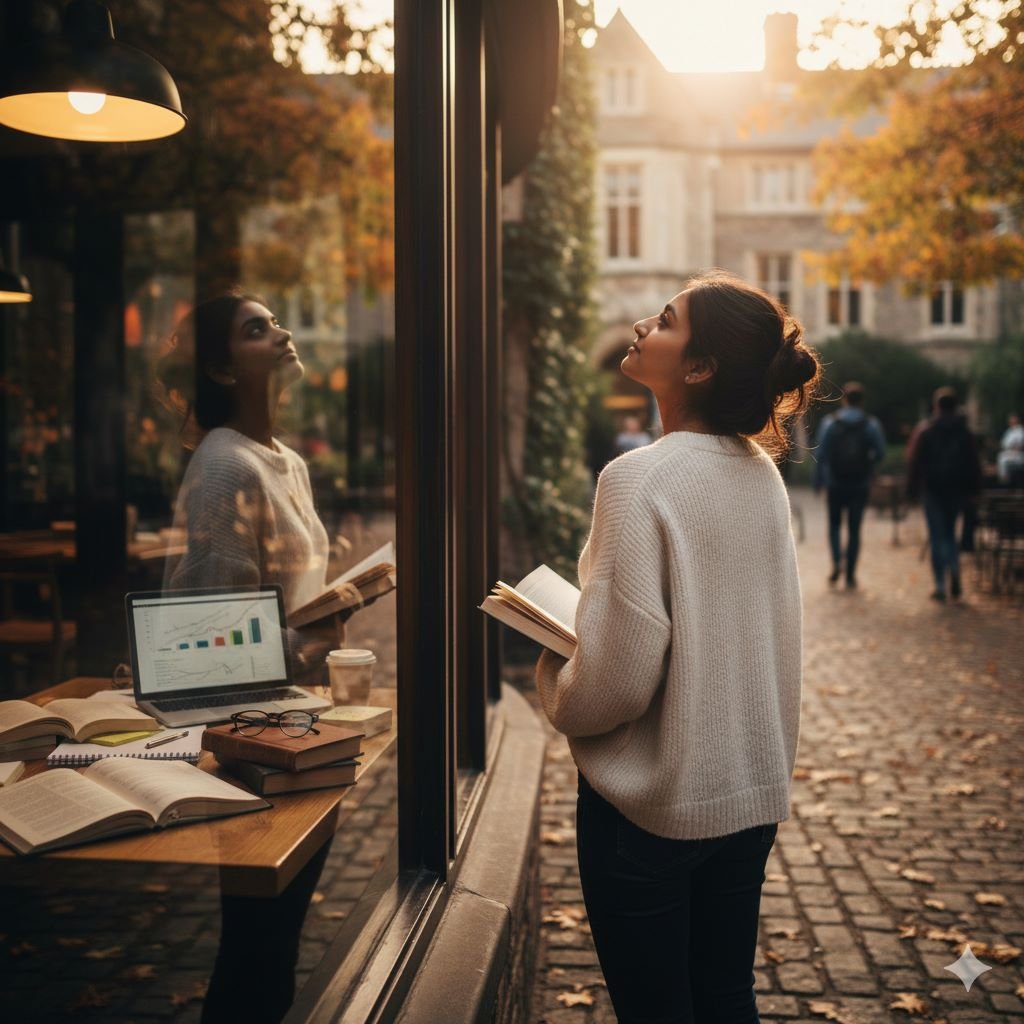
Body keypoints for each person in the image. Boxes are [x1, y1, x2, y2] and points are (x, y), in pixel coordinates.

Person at [535, 270, 820, 1023]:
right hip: (747, 792)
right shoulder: (762, 475)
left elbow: (614, 687)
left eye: (664, 321)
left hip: (649, 813)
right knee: (726, 998)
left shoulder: (636, 479)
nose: (641, 327)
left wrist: (555, 670)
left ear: (698, 368)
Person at [157, 292, 344, 1023]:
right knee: (255, 952)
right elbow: (205, 646)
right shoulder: (223, 469)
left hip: (293, 730)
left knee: (275, 946)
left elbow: (276, 593)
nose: (282, 333)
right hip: (248, 741)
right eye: (256, 330)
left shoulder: (284, 461)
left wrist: (329, 601)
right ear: (220, 367)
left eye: (274, 323)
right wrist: (312, 641)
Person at [906, 387, 982, 601]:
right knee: (950, 534)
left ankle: (940, 584)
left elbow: (914, 461)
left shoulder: (926, 430)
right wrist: (974, 491)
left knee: (936, 535)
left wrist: (911, 491)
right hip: (957, 490)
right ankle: (955, 569)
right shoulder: (965, 432)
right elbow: (974, 464)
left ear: (937, 406)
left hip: (932, 490)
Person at [813, 382, 886, 589]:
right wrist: (869, 465)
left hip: (835, 483)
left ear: (844, 399)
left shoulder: (830, 423)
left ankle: (837, 562)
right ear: (861, 401)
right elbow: (880, 453)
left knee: (835, 526)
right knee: (854, 529)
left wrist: (818, 481)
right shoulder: (871, 424)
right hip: (859, 484)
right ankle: (851, 573)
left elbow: (821, 454)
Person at [997, 412, 1024, 486]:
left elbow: (1021, 445)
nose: (1011, 421)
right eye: (1010, 420)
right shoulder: (1009, 431)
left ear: (1017, 420)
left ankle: (1005, 481)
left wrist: (1013, 447)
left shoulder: (1021, 431)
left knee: (1003, 459)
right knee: (1002, 457)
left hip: (1018, 455)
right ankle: (1004, 481)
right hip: (1008, 454)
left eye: (1013, 419)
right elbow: (1003, 445)